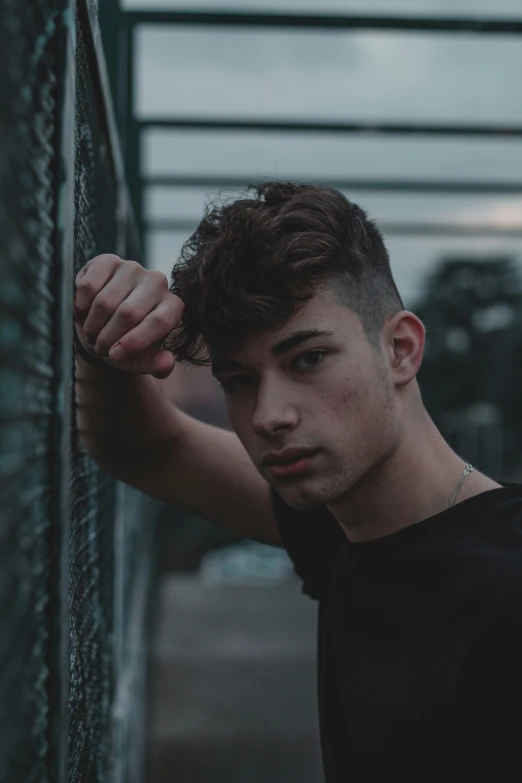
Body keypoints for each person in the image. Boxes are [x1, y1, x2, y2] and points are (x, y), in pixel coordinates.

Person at [74, 182, 522, 772]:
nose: (267, 416)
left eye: (307, 359)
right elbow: (148, 449)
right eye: (238, 380)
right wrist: (103, 337)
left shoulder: (504, 594)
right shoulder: (343, 525)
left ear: (401, 351)